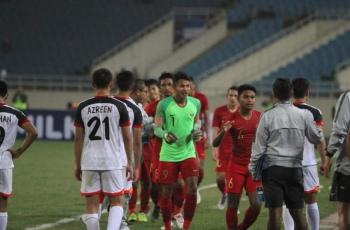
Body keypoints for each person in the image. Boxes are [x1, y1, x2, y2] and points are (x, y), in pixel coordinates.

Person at [249, 78, 324, 230]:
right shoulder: (305, 115)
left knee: (274, 213)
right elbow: (316, 137)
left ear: (274, 94)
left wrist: (254, 171)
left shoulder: (267, 116)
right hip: (295, 169)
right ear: (291, 93)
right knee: (297, 212)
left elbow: (259, 148)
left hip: (273, 170)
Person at [74, 68, 133, 230]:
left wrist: (78, 165)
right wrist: (130, 163)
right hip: (112, 160)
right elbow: (127, 138)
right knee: (117, 201)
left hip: (89, 160)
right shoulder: (120, 106)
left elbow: (78, 138)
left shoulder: (83, 107)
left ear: (93, 84)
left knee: (92, 206)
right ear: (111, 84)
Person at [154, 72, 202, 230]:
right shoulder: (164, 104)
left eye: (188, 86)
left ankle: (186, 226)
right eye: (182, 85)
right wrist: (165, 134)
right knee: (167, 192)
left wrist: (197, 131)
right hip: (168, 155)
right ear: (175, 87)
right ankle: (168, 226)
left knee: (193, 188)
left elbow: (196, 123)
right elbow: (157, 129)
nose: (185, 89)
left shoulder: (196, 103)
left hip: (188, 152)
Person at [213, 84, 261, 230]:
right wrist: (223, 131)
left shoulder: (260, 116)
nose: (250, 100)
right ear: (239, 99)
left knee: (258, 204)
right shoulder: (232, 119)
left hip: (255, 168)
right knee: (233, 204)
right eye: (246, 97)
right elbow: (215, 142)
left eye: (252, 97)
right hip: (236, 167)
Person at [282, 78, 327, 230]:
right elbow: (319, 139)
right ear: (307, 92)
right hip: (308, 162)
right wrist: (325, 160)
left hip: (286, 163)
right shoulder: (315, 112)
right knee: (311, 200)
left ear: (291, 92)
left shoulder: (282, 110)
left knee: (288, 202)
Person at [0, 80, 37, 230]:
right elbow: (33, 132)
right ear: (7, 95)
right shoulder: (15, 113)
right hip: (4, 162)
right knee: (2, 203)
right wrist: (19, 151)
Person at [113, 70, 143, 230]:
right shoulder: (134, 109)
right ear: (132, 86)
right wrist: (136, 165)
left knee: (106, 192)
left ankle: (94, 218)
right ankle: (121, 223)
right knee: (125, 191)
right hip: (124, 157)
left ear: (116, 84)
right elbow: (137, 142)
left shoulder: (107, 103)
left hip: (105, 156)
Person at [144, 73, 174, 222]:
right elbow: (145, 128)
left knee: (176, 184)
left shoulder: (182, 104)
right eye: (163, 85)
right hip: (157, 151)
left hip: (177, 151)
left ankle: (175, 214)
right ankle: (157, 205)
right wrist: (149, 128)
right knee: (155, 185)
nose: (166, 88)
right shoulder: (151, 107)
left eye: (169, 84)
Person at [325, 88, 350, 230]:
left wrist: (329, 155)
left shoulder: (348, 97)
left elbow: (340, 130)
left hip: (347, 168)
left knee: (344, 213)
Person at [128, 79, 152, 223]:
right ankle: (131, 210)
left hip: (145, 149)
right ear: (138, 92)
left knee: (146, 181)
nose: (146, 94)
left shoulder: (140, 107)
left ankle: (143, 210)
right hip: (132, 149)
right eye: (145, 91)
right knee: (133, 181)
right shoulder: (129, 106)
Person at [211, 86, 239, 210]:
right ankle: (225, 194)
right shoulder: (219, 111)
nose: (233, 98)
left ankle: (234, 204)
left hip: (237, 151)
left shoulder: (242, 112)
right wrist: (214, 147)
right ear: (227, 96)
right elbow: (215, 129)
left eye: (235, 96)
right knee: (220, 178)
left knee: (235, 179)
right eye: (231, 95)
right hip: (222, 150)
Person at [189, 78, 210, 203]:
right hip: (186, 137)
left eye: (191, 87)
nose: (189, 89)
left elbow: (206, 117)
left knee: (200, 168)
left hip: (199, 136)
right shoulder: (181, 101)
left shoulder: (201, 98)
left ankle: (195, 187)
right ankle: (190, 189)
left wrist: (207, 135)